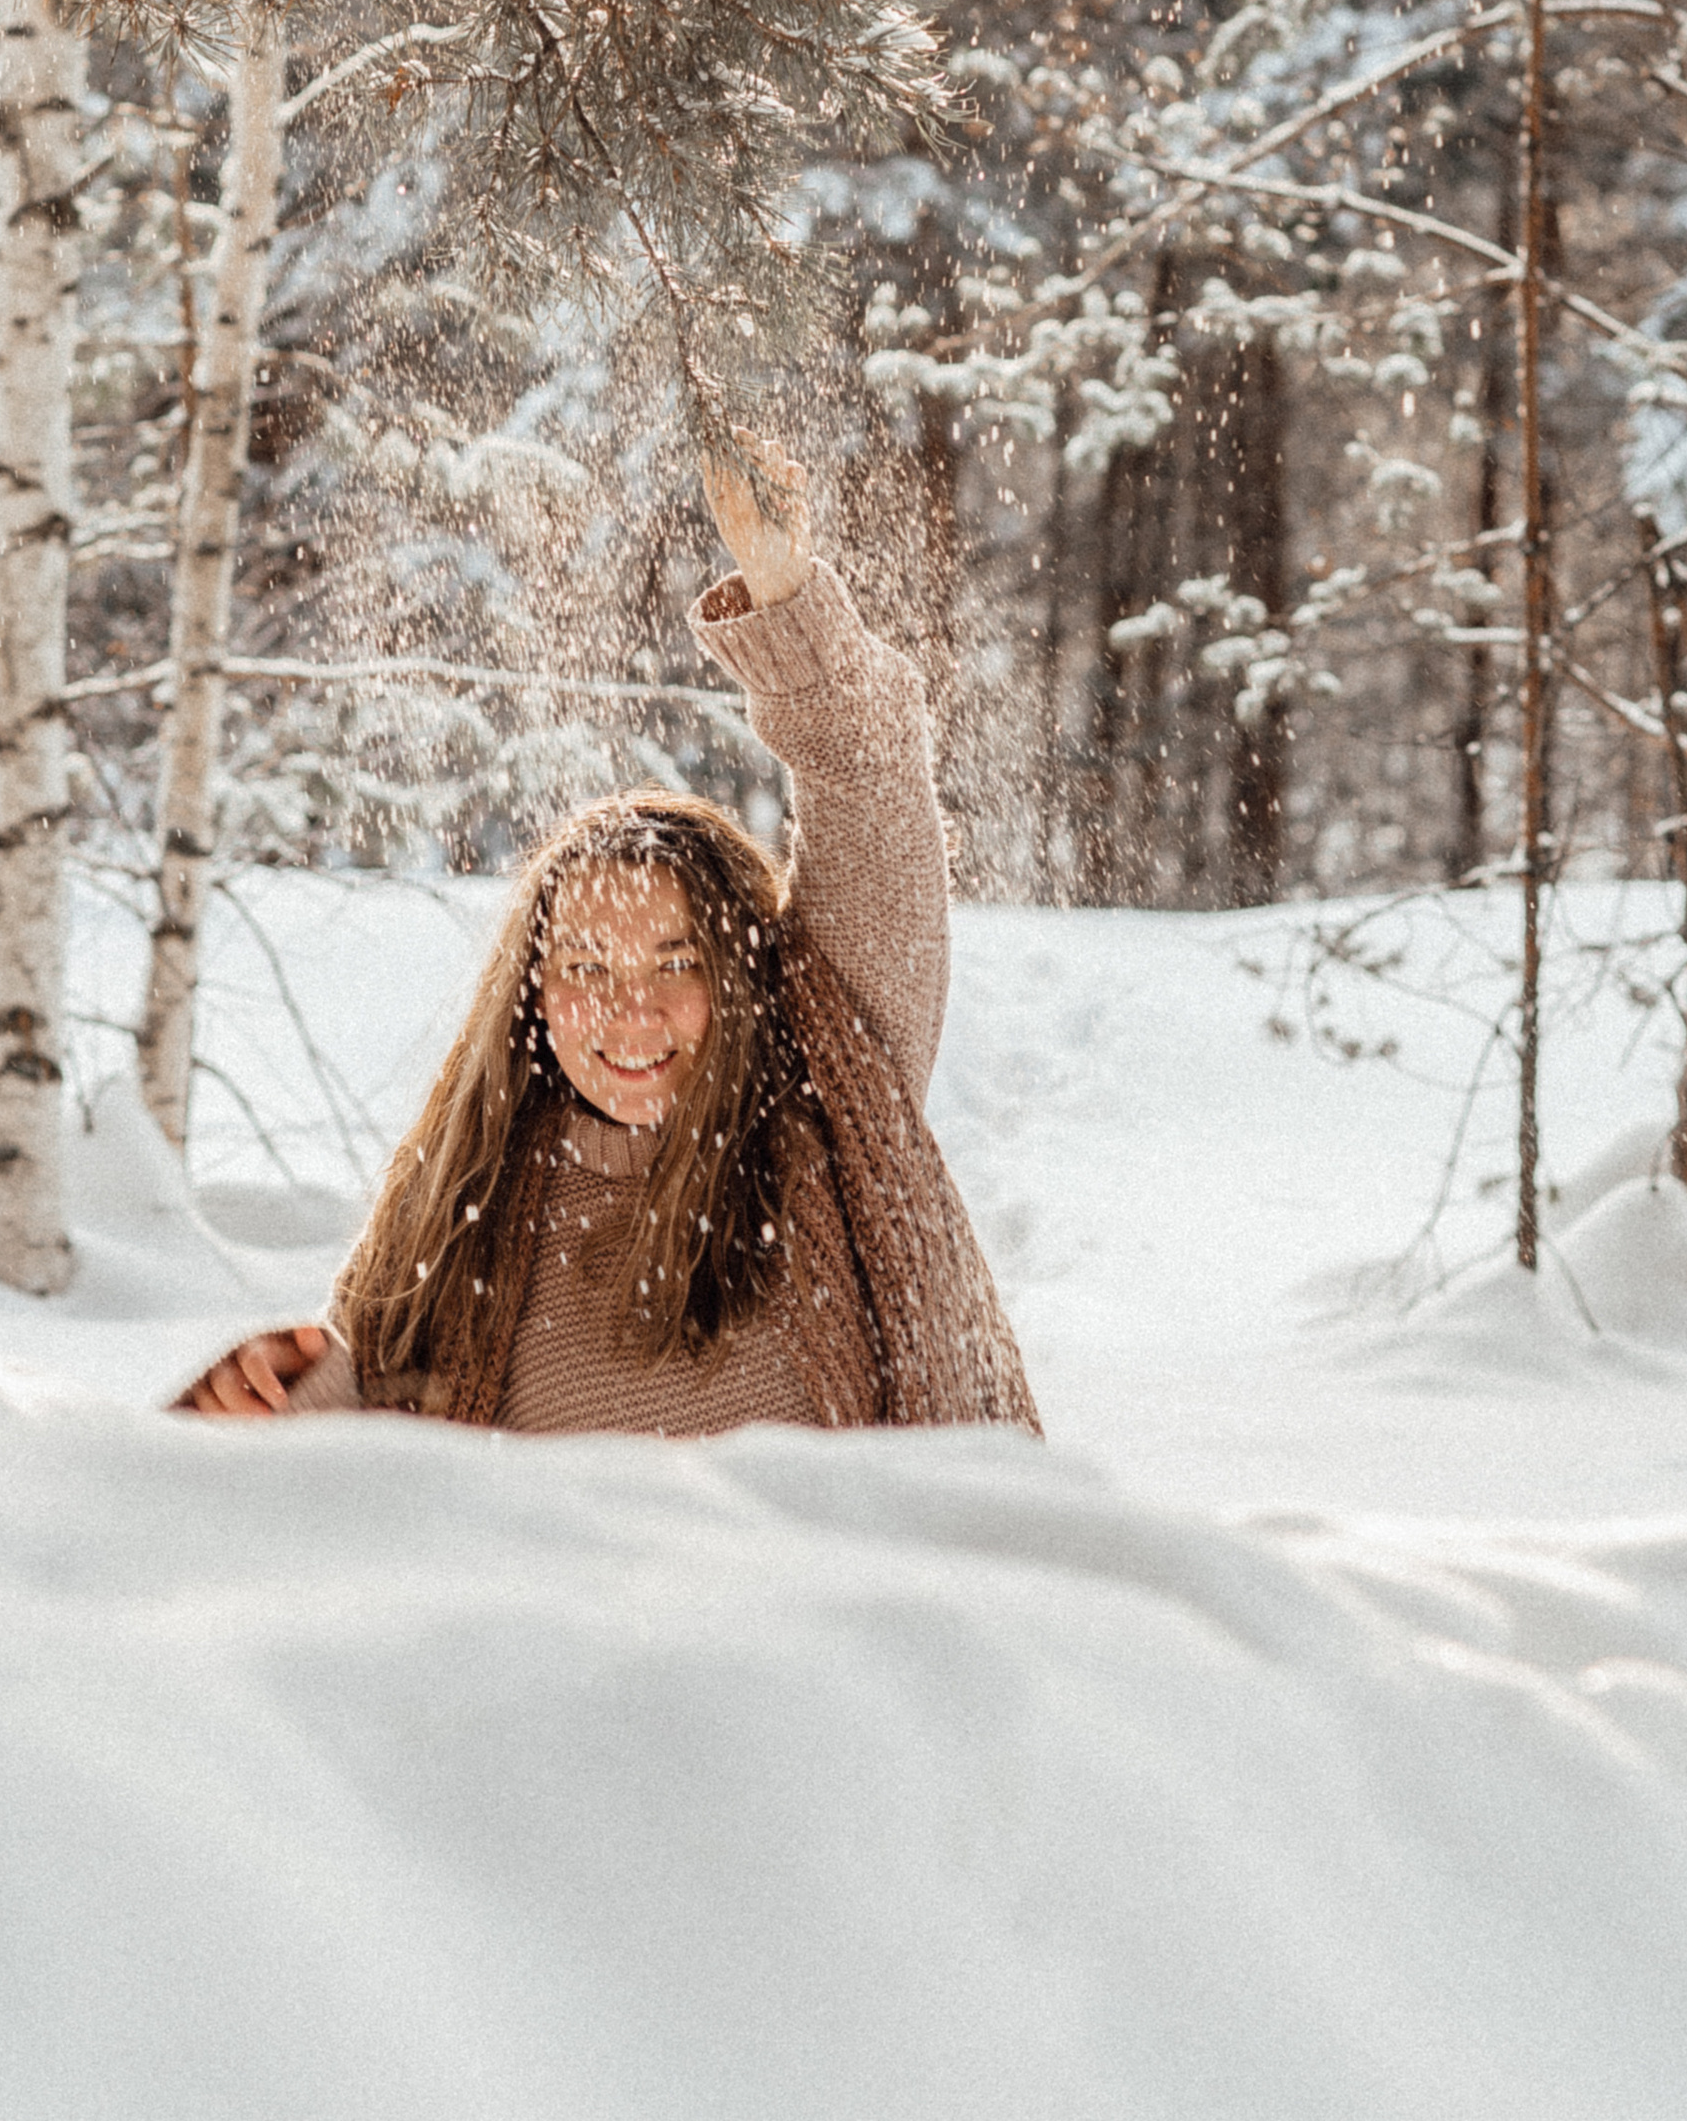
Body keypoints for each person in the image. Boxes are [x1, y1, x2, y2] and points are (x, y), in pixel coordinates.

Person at [171, 426, 1038, 1438]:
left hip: (840, 1600)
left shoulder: (829, 1108)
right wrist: (265, 1398)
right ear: (532, 995)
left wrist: (787, 592)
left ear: (743, 978)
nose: (630, 1008)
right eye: (585, 965)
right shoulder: (468, 1207)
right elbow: (363, 1470)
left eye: (676, 961)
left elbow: (869, 786)